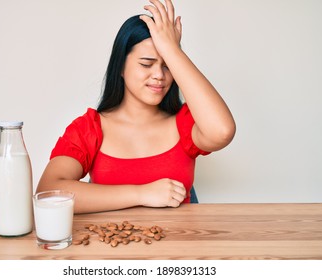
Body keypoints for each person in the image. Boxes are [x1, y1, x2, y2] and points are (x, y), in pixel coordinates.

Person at [37, 0, 236, 213]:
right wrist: (142, 193)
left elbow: (222, 131)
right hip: (109, 244)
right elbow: (49, 193)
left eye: (167, 66)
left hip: (179, 244)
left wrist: (172, 50)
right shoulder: (90, 128)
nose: (159, 75)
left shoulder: (184, 123)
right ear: (121, 66)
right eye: (146, 64)